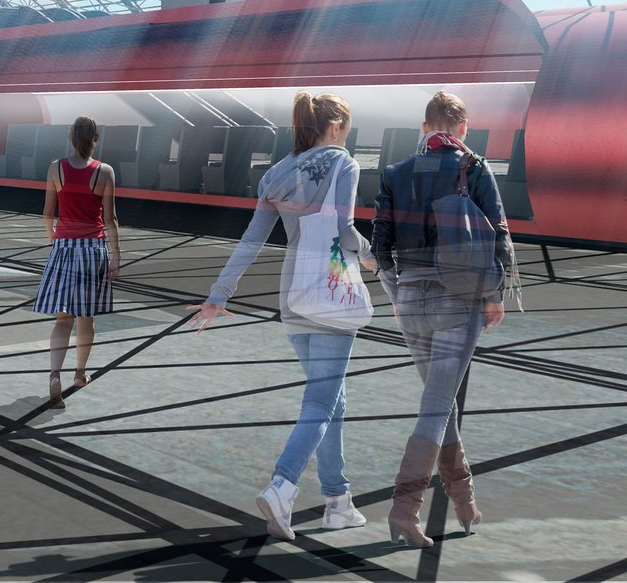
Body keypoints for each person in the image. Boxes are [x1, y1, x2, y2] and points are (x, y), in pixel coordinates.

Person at [192, 92, 375, 542]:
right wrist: (374, 259)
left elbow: (251, 242)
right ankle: (282, 486)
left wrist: (219, 295)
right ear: (334, 128)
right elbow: (346, 230)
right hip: (331, 291)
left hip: (292, 295)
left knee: (331, 397)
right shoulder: (342, 163)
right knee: (321, 401)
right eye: (346, 129)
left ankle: (338, 502)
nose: (346, 136)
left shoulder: (275, 174)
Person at [370, 91, 517, 548]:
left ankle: (464, 502)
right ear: (463, 128)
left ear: (425, 126)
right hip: (460, 298)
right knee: (437, 406)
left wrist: (398, 293)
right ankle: (403, 510)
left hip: (411, 302)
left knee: (441, 401)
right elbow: (499, 231)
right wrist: (495, 295)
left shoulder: (396, 173)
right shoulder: (472, 167)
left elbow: (380, 245)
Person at [32, 117, 120, 408]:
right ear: (96, 138)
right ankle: (80, 374)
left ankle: (54, 374)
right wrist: (116, 255)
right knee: (86, 318)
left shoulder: (55, 168)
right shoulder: (104, 172)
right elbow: (110, 219)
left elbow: (47, 213)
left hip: (64, 247)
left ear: (70, 137)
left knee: (62, 318)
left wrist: (54, 240)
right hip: (93, 249)